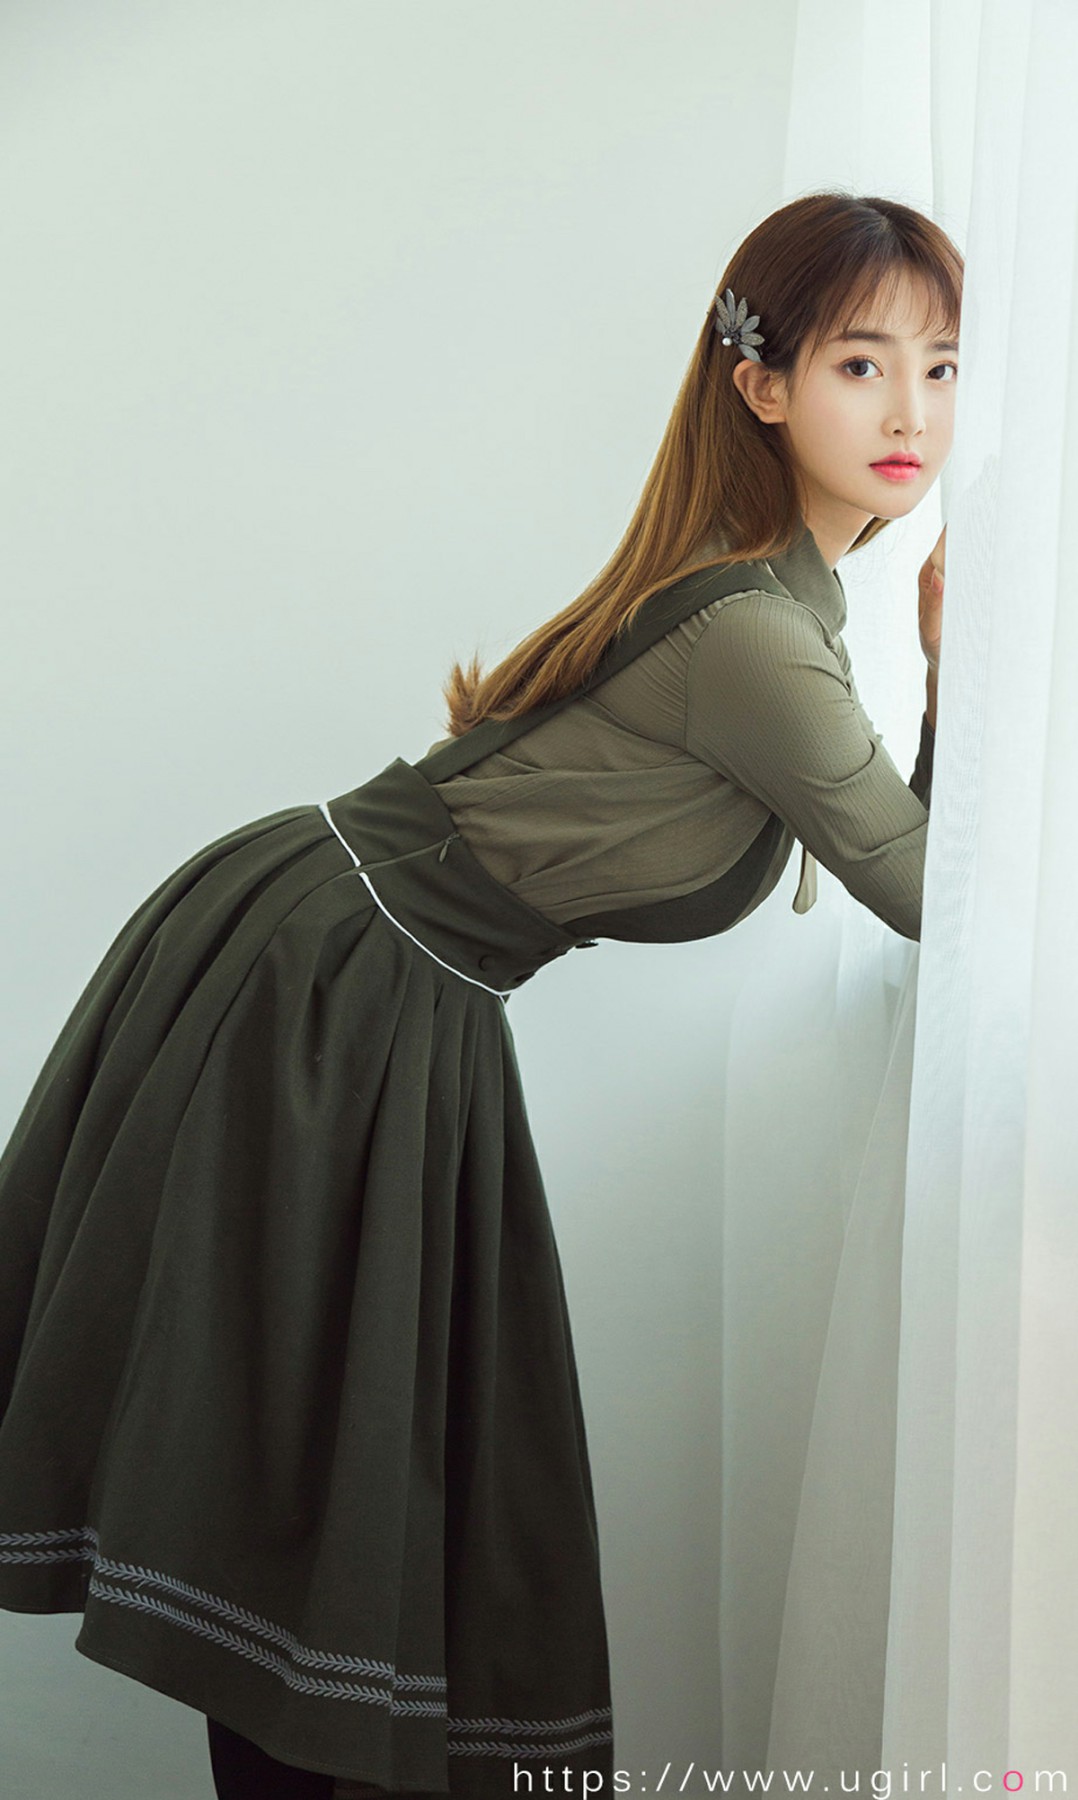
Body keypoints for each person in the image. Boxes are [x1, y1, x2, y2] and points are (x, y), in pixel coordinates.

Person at [0, 189, 959, 1798]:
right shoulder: (756, 635)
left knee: (337, 1485)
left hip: (374, 979)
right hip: (332, 984)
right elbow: (933, 891)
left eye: (940, 368)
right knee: (300, 1482)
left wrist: (935, 673)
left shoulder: (779, 603)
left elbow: (907, 864)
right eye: (862, 366)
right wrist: (967, 676)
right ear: (760, 384)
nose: (909, 413)